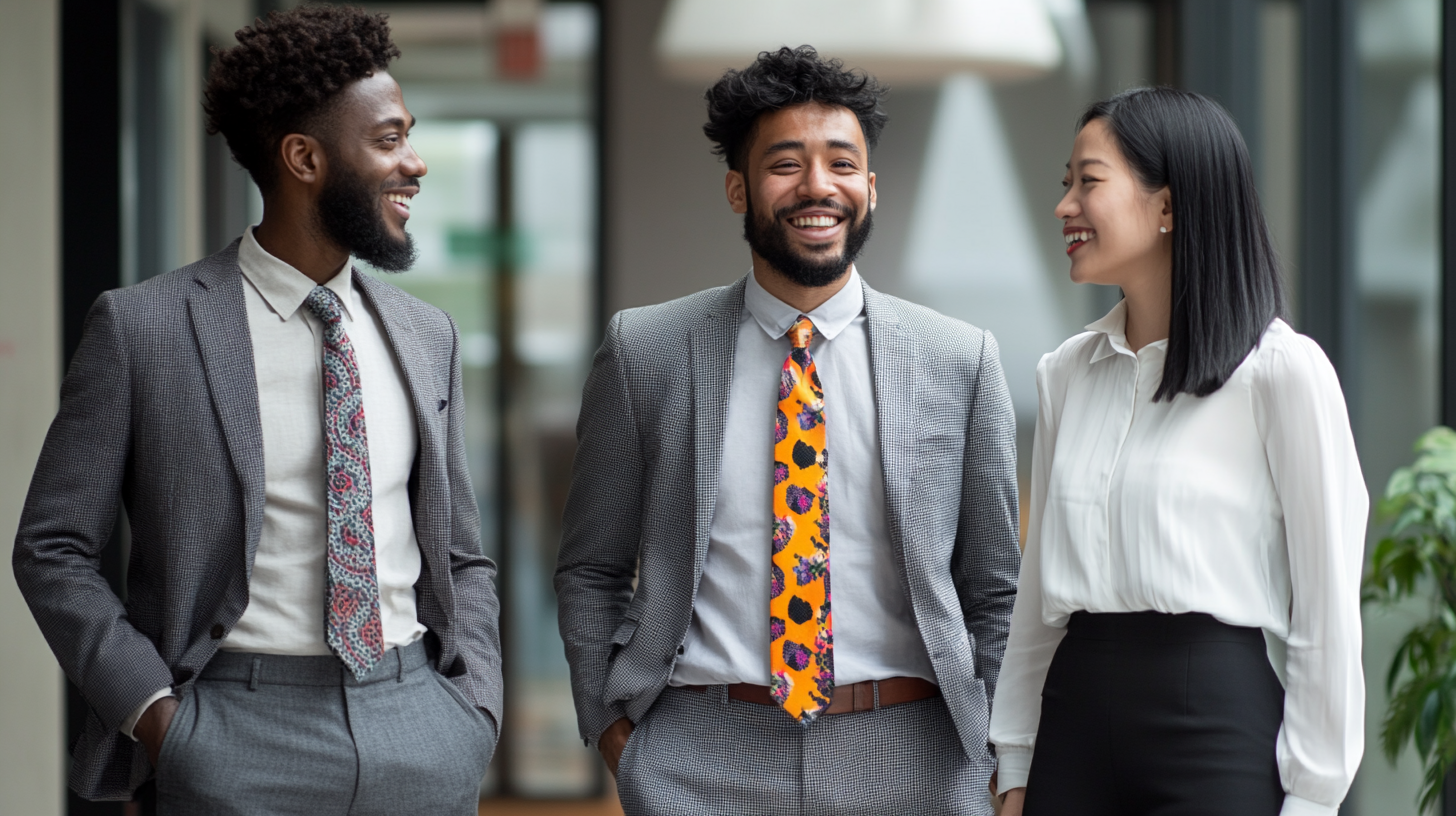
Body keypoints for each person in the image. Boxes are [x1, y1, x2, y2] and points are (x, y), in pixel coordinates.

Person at [12, 7, 501, 814]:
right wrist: (159, 718)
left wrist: (472, 708)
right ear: (304, 158)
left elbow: (461, 553)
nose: (414, 163)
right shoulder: (144, 328)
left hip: (419, 724)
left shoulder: (426, 333)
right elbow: (52, 547)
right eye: (387, 141)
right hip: (231, 729)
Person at [555, 45, 1021, 816]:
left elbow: (995, 588)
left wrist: (993, 760)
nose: (817, 186)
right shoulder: (647, 351)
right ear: (738, 188)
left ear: (870, 188)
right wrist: (615, 735)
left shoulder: (958, 359)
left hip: (915, 755)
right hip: (700, 757)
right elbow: (592, 570)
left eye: (842, 163)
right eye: (785, 163)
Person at [990, 87, 1366, 816]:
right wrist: (1015, 764)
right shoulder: (1065, 373)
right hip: (1072, 728)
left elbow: (1327, 614)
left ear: (1168, 205)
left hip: (1213, 729)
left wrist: (1314, 800)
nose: (1066, 205)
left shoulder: (1282, 374)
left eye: (1088, 181)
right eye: (1066, 183)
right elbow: (1037, 603)